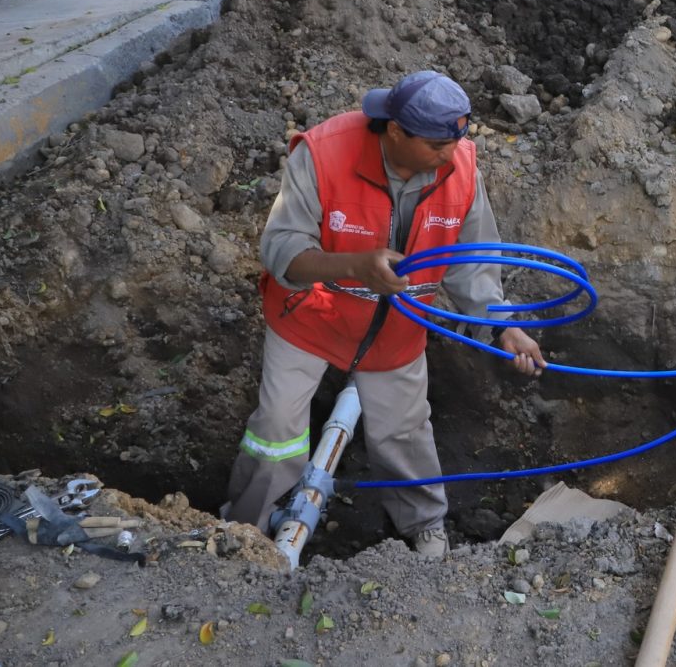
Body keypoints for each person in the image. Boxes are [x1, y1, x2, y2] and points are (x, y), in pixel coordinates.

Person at [222, 71, 546, 558]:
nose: (451, 152)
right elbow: (281, 248)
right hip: (310, 320)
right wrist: (356, 265)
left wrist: (505, 326)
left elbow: (472, 265)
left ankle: (425, 525)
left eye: (458, 138)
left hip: (395, 329)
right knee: (277, 429)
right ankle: (248, 529)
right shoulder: (323, 155)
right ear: (395, 131)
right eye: (438, 143)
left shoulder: (459, 171)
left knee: (404, 432)